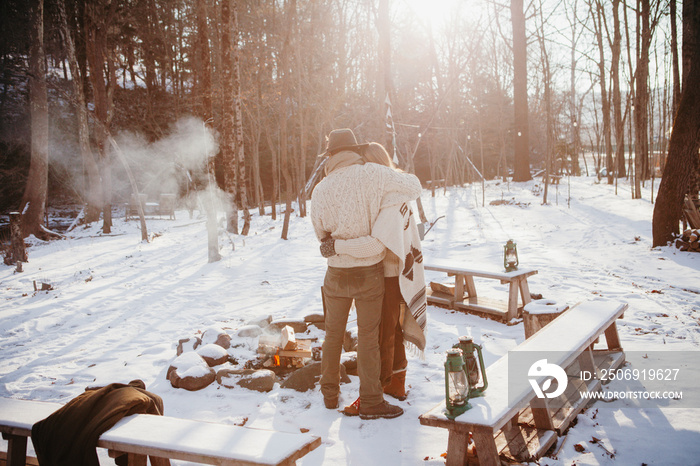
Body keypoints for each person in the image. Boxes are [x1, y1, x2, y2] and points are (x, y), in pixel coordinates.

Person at [310, 129, 422, 420]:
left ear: (331, 156)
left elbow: (322, 238)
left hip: (335, 274)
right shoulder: (375, 173)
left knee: (332, 336)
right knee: (368, 338)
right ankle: (371, 400)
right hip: (370, 273)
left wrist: (338, 246)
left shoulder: (320, 190)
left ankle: (329, 394)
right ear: (355, 150)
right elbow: (415, 186)